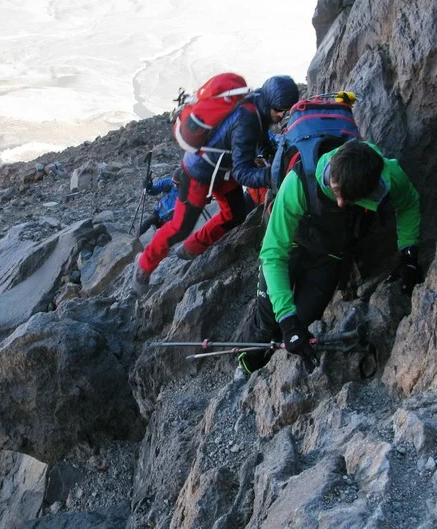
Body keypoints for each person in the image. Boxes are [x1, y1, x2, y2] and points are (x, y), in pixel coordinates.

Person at [235, 139, 421, 378]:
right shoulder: (298, 183)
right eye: (335, 192)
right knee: (268, 320)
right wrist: (286, 318)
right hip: (291, 245)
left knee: (304, 320)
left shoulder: (389, 176)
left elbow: (408, 202)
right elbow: (273, 254)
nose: (341, 203)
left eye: (348, 199)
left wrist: (408, 253)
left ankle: (273, 365)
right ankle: (245, 367)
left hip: (330, 255)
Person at [132, 75, 299, 293]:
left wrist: (270, 151)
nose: (282, 115)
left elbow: (260, 138)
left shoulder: (258, 104)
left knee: (235, 214)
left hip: (220, 172)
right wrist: (272, 175)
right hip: (198, 173)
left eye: (286, 111)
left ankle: (191, 249)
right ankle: (144, 265)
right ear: (270, 103)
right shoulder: (248, 119)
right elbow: (242, 173)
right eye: (279, 110)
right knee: (180, 227)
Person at [138, 168, 182, 236]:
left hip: (172, 221)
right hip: (158, 213)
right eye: (174, 183)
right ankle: (135, 238)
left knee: (162, 236)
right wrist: (149, 187)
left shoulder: (187, 193)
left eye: (178, 184)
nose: (175, 186)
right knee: (146, 224)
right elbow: (155, 190)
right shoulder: (167, 182)